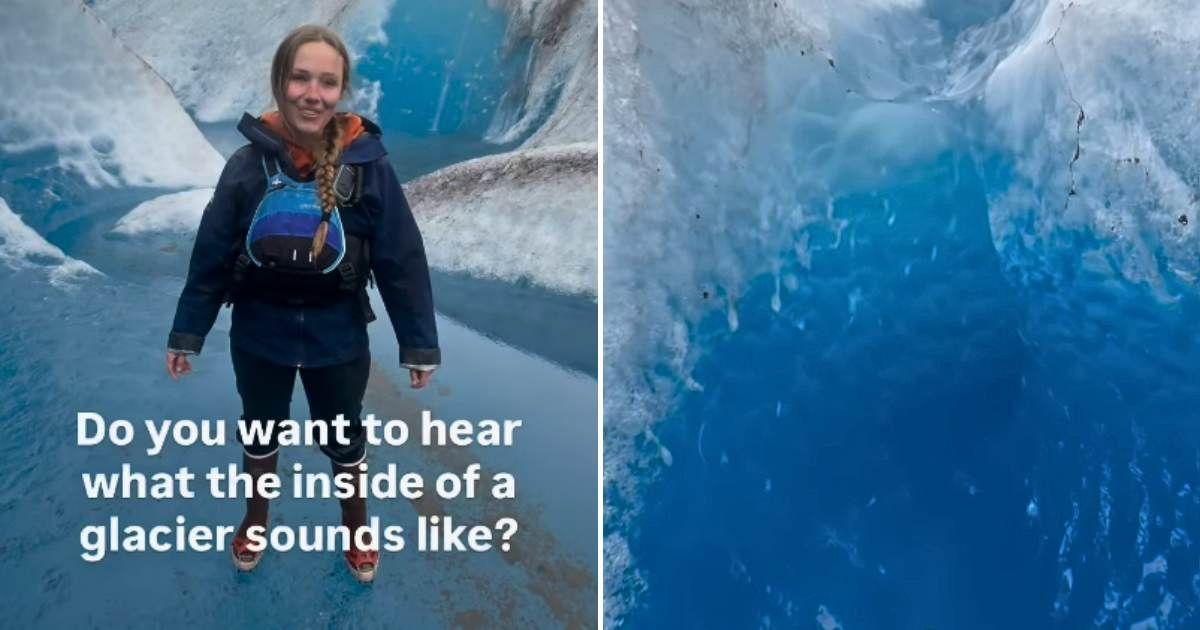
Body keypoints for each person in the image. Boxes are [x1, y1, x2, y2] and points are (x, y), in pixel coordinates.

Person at [164, 24, 440, 583]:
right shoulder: (246, 166)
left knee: (343, 434)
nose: (313, 93)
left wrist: (419, 344)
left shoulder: (367, 166)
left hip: (337, 336)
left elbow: (400, 258)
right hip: (259, 331)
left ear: (341, 92)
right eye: (300, 78)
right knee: (261, 431)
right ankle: (256, 518)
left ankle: (357, 527)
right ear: (280, 82)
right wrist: (186, 332)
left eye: (328, 82)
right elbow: (212, 253)